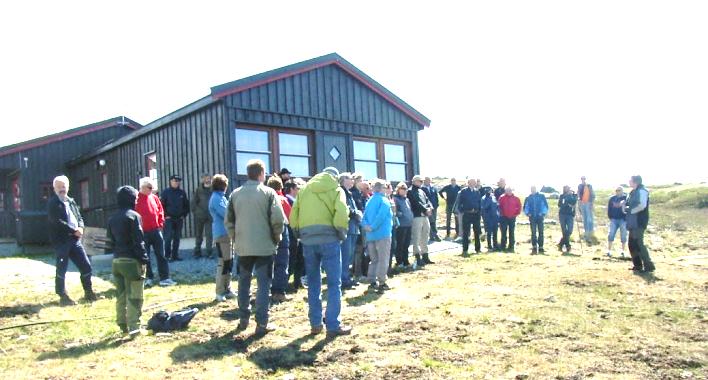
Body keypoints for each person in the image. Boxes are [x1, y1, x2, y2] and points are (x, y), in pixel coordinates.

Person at [290, 166, 352, 337]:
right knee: (334, 283)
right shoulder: (337, 190)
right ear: (336, 177)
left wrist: (298, 232)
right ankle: (333, 324)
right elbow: (341, 212)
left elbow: (294, 213)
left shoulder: (304, 190)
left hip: (308, 240)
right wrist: (341, 233)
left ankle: (315, 323)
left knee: (313, 282)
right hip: (330, 239)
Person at [225, 160, 285, 335]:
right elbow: (278, 220)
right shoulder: (269, 193)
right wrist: (276, 238)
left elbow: (229, 221)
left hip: (243, 246)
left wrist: (236, 238)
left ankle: (244, 318)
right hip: (265, 247)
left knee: (243, 283)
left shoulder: (235, 194)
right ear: (261, 174)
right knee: (263, 285)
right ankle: (262, 322)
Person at [47, 175, 96, 306]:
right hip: (61, 241)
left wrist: (80, 227)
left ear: (67, 187)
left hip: (75, 240)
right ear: (54, 188)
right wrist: (73, 230)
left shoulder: (72, 201)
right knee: (62, 268)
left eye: (63, 186)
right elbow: (56, 222)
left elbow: (79, 217)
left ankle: (89, 292)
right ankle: (62, 296)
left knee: (86, 266)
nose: (61, 189)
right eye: (59, 187)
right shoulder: (53, 203)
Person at [107, 186, 149, 336]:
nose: (137, 200)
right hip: (132, 261)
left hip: (117, 260)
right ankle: (135, 327)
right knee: (135, 295)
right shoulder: (134, 216)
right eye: (136, 198)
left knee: (121, 294)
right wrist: (144, 258)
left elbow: (110, 242)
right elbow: (139, 240)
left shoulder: (112, 219)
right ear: (132, 199)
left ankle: (122, 323)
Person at [136, 177, 176, 287]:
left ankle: (165, 278)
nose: (151, 190)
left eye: (152, 188)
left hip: (156, 230)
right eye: (150, 187)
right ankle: (148, 277)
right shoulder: (136, 199)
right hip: (143, 232)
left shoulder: (154, 197)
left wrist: (160, 224)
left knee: (161, 255)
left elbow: (160, 211)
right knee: (145, 256)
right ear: (142, 187)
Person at [362, 179, 393, 293]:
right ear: (381, 188)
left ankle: (372, 281)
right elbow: (381, 215)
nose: (387, 189)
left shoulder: (369, 200)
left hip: (370, 235)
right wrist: (374, 226)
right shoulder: (384, 200)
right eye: (385, 187)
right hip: (382, 234)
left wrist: (367, 227)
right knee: (383, 259)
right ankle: (382, 282)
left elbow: (363, 217)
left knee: (374, 259)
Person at [208, 174, 236, 302]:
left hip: (227, 234)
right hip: (221, 234)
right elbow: (226, 213)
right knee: (223, 263)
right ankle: (220, 291)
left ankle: (227, 288)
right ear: (222, 185)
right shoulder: (216, 198)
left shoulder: (221, 197)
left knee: (229, 262)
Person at [266, 175, 292, 303]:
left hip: (266, 233)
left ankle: (266, 289)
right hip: (282, 231)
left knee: (268, 263)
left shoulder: (265, 198)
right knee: (282, 263)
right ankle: (279, 292)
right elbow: (289, 216)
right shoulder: (282, 199)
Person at [624, 175, 655, 273]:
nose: (629, 181)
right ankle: (637, 265)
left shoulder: (642, 191)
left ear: (635, 181)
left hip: (639, 221)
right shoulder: (632, 192)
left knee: (638, 243)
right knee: (632, 244)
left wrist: (632, 211)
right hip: (632, 222)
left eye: (630, 180)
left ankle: (648, 265)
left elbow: (642, 205)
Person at [339, 172, 362, 290]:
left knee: (350, 254)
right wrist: (355, 213)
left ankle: (347, 277)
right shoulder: (341, 192)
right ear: (343, 180)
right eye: (349, 178)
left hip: (353, 227)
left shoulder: (349, 193)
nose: (352, 180)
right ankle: (343, 279)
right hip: (347, 227)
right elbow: (345, 208)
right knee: (345, 254)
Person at [161, 175, 190, 261]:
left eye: (178, 181)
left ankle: (175, 255)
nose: (176, 182)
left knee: (177, 238)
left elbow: (186, 206)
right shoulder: (165, 192)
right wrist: (166, 216)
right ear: (170, 181)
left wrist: (183, 215)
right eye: (175, 180)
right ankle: (167, 256)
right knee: (168, 238)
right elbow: (161, 206)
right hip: (169, 219)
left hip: (179, 219)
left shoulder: (182, 192)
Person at [407, 175, 434, 267]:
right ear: (414, 181)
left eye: (422, 181)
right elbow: (415, 203)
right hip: (417, 216)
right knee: (417, 237)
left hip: (425, 216)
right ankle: (417, 257)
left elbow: (427, 200)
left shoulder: (422, 191)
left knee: (425, 235)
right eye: (420, 181)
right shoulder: (410, 191)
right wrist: (425, 209)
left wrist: (430, 208)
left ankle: (425, 256)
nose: (421, 183)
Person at [284, 180, 305, 290]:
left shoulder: (296, 201)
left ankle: (297, 282)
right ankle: (286, 283)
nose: (299, 191)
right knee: (291, 260)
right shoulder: (287, 201)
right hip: (292, 235)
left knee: (300, 259)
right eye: (297, 188)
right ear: (291, 189)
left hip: (299, 234)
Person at [457, 178, 482, 256]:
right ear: (468, 183)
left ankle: (477, 249)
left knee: (477, 232)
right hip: (467, 214)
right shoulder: (463, 191)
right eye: (471, 182)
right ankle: (465, 249)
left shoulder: (477, 191)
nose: (473, 183)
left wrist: (479, 211)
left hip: (476, 215)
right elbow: (459, 203)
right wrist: (463, 211)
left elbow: (479, 202)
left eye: (474, 182)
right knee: (466, 233)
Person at [191, 173, 213, 258]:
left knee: (209, 235)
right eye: (205, 178)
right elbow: (193, 203)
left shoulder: (214, 190)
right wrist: (196, 212)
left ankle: (209, 252)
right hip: (199, 216)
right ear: (202, 180)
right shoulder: (198, 190)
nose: (207, 180)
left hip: (210, 217)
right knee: (198, 234)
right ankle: (197, 252)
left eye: (208, 178)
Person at [393, 182, 414, 267]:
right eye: (403, 189)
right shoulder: (395, 199)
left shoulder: (406, 199)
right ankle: (399, 261)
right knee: (400, 244)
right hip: (401, 225)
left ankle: (406, 260)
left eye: (406, 189)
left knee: (406, 243)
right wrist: (400, 214)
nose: (405, 190)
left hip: (408, 224)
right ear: (398, 189)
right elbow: (395, 211)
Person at [523, 186, 549, 254]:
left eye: (534, 189)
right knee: (533, 232)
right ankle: (534, 246)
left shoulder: (541, 196)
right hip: (532, 218)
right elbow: (526, 207)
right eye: (532, 189)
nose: (533, 190)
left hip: (540, 217)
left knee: (541, 232)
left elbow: (545, 206)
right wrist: (528, 213)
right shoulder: (528, 198)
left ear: (536, 189)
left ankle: (541, 247)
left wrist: (543, 213)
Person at [498, 187, 521, 253]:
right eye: (507, 190)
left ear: (512, 191)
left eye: (510, 190)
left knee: (511, 232)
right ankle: (503, 246)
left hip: (512, 217)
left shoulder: (516, 198)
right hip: (504, 217)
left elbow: (519, 206)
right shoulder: (502, 197)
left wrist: (516, 214)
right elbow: (499, 206)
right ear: (505, 191)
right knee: (503, 232)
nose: (508, 192)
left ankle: (511, 246)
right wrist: (501, 214)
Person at [607, 186, 628, 258]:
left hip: (623, 219)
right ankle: (609, 250)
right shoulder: (612, 199)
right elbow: (609, 208)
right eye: (616, 190)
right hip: (614, 219)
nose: (617, 192)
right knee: (611, 234)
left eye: (619, 190)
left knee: (623, 235)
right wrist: (610, 216)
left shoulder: (626, 198)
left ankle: (623, 251)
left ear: (622, 191)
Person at [557, 186, 578, 253]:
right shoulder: (562, 196)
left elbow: (574, 202)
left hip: (570, 215)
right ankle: (568, 246)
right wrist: (567, 202)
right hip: (562, 214)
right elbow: (560, 204)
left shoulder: (573, 195)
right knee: (564, 231)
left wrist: (571, 196)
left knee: (569, 230)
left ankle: (561, 244)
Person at [481, 187, 500, 252]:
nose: (490, 192)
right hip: (488, 218)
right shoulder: (484, 198)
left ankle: (495, 245)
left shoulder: (494, 197)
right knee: (489, 232)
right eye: (488, 191)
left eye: (491, 190)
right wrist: (489, 198)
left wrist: (498, 214)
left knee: (495, 232)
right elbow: (484, 207)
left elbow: (497, 206)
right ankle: (489, 246)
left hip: (495, 217)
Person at [577, 176, 596, 241]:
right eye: (582, 179)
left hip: (588, 203)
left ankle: (590, 232)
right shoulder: (579, 186)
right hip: (582, 203)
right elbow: (578, 194)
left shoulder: (589, 186)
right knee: (584, 218)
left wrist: (592, 203)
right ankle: (586, 232)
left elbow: (593, 195)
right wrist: (579, 204)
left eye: (584, 179)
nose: (583, 180)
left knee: (589, 218)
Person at [423, 177, 440, 242]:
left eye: (429, 180)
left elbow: (436, 196)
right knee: (430, 221)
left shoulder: (433, 188)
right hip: (427, 208)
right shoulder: (422, 189)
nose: (427, 181)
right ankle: (433, 235)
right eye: (426, 180)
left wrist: (437, 204)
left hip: (434, 207)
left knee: (434, 220)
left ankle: (433, 235)